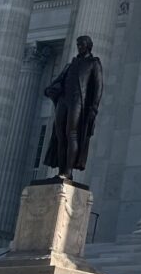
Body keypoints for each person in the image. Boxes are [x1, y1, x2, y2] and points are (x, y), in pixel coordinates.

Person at [43, 35, 104, 180]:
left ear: (88, 45)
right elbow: (58, 81)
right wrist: (49, 90)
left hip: (78, 102)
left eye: (82, 44)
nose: (79, 47)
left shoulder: (93, 63)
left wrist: (94, 108)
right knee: (60, 135)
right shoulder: (71, 64)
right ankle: (61, 170)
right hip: (63, 100)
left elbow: (98, 87)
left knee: (72, 134)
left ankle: (68, 171)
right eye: (78, 44)